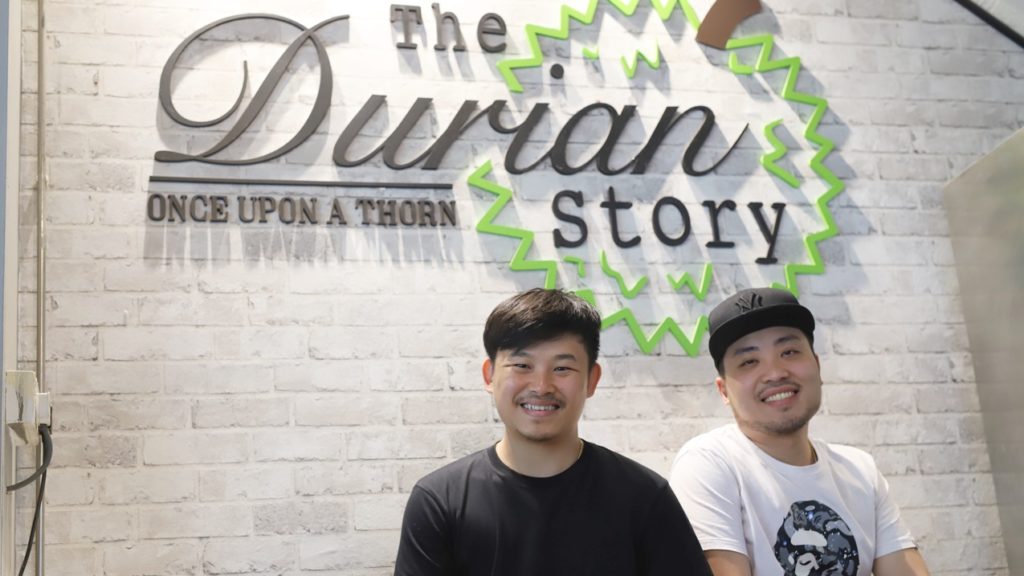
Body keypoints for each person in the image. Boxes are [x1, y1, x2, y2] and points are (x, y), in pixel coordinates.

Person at [395, 288, 711, 576]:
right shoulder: (439, 500)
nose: (542, 386)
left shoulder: (644, 497)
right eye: (522, 365)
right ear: (489, 375)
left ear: (591, 379)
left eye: (562, 368)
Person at [669, 287, 930, 576]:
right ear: (724, 390)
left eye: (789, 352)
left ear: (817, 366)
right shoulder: (709, 463)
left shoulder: (860, 470)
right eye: (749, 361)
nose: (776, 372)